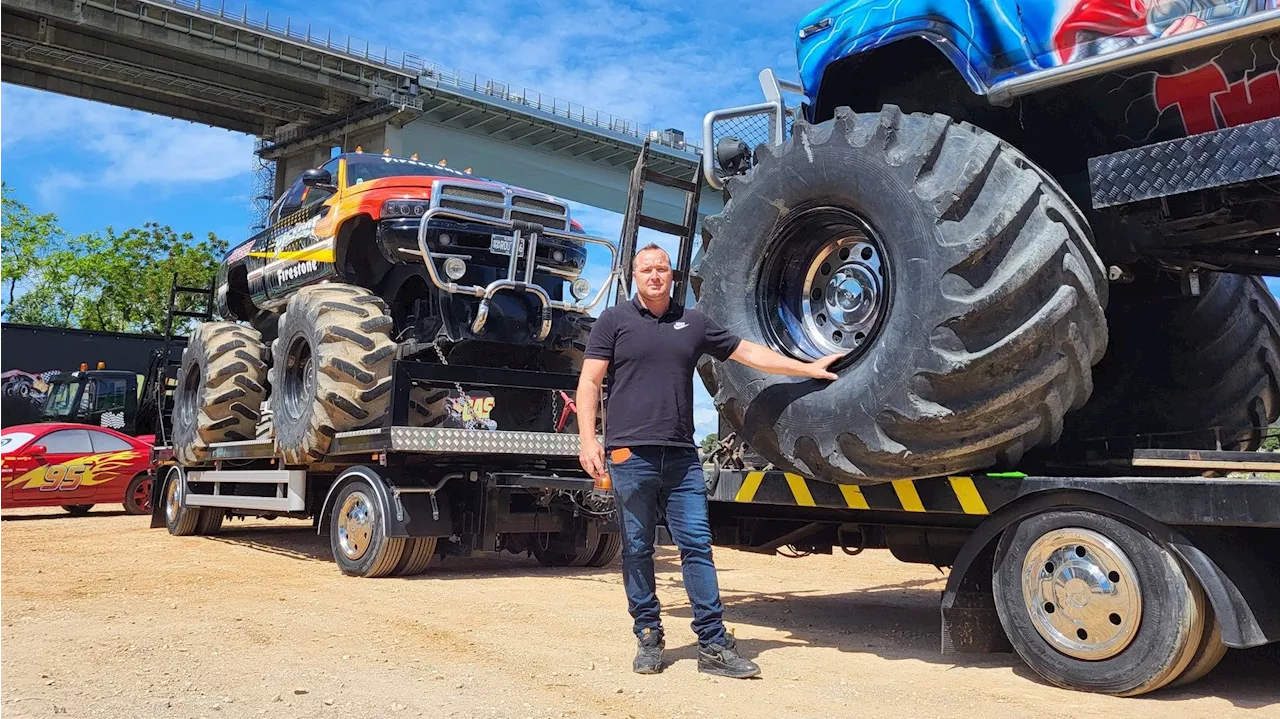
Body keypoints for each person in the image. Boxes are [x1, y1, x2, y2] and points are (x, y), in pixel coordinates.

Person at [575, 243, 841, 678]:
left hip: (681, 457)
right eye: (647, 270)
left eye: (662, 269)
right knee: (638, 549)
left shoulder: (693, 322)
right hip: (629, 453)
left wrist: (808, 368)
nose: (655, 276)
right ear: (634, 276)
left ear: (672, 275)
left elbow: (747, 352)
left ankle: (713, 645)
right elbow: (589, 381)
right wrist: (588, 440)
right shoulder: (613, 321)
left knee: (696, 547)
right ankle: (648, 635)